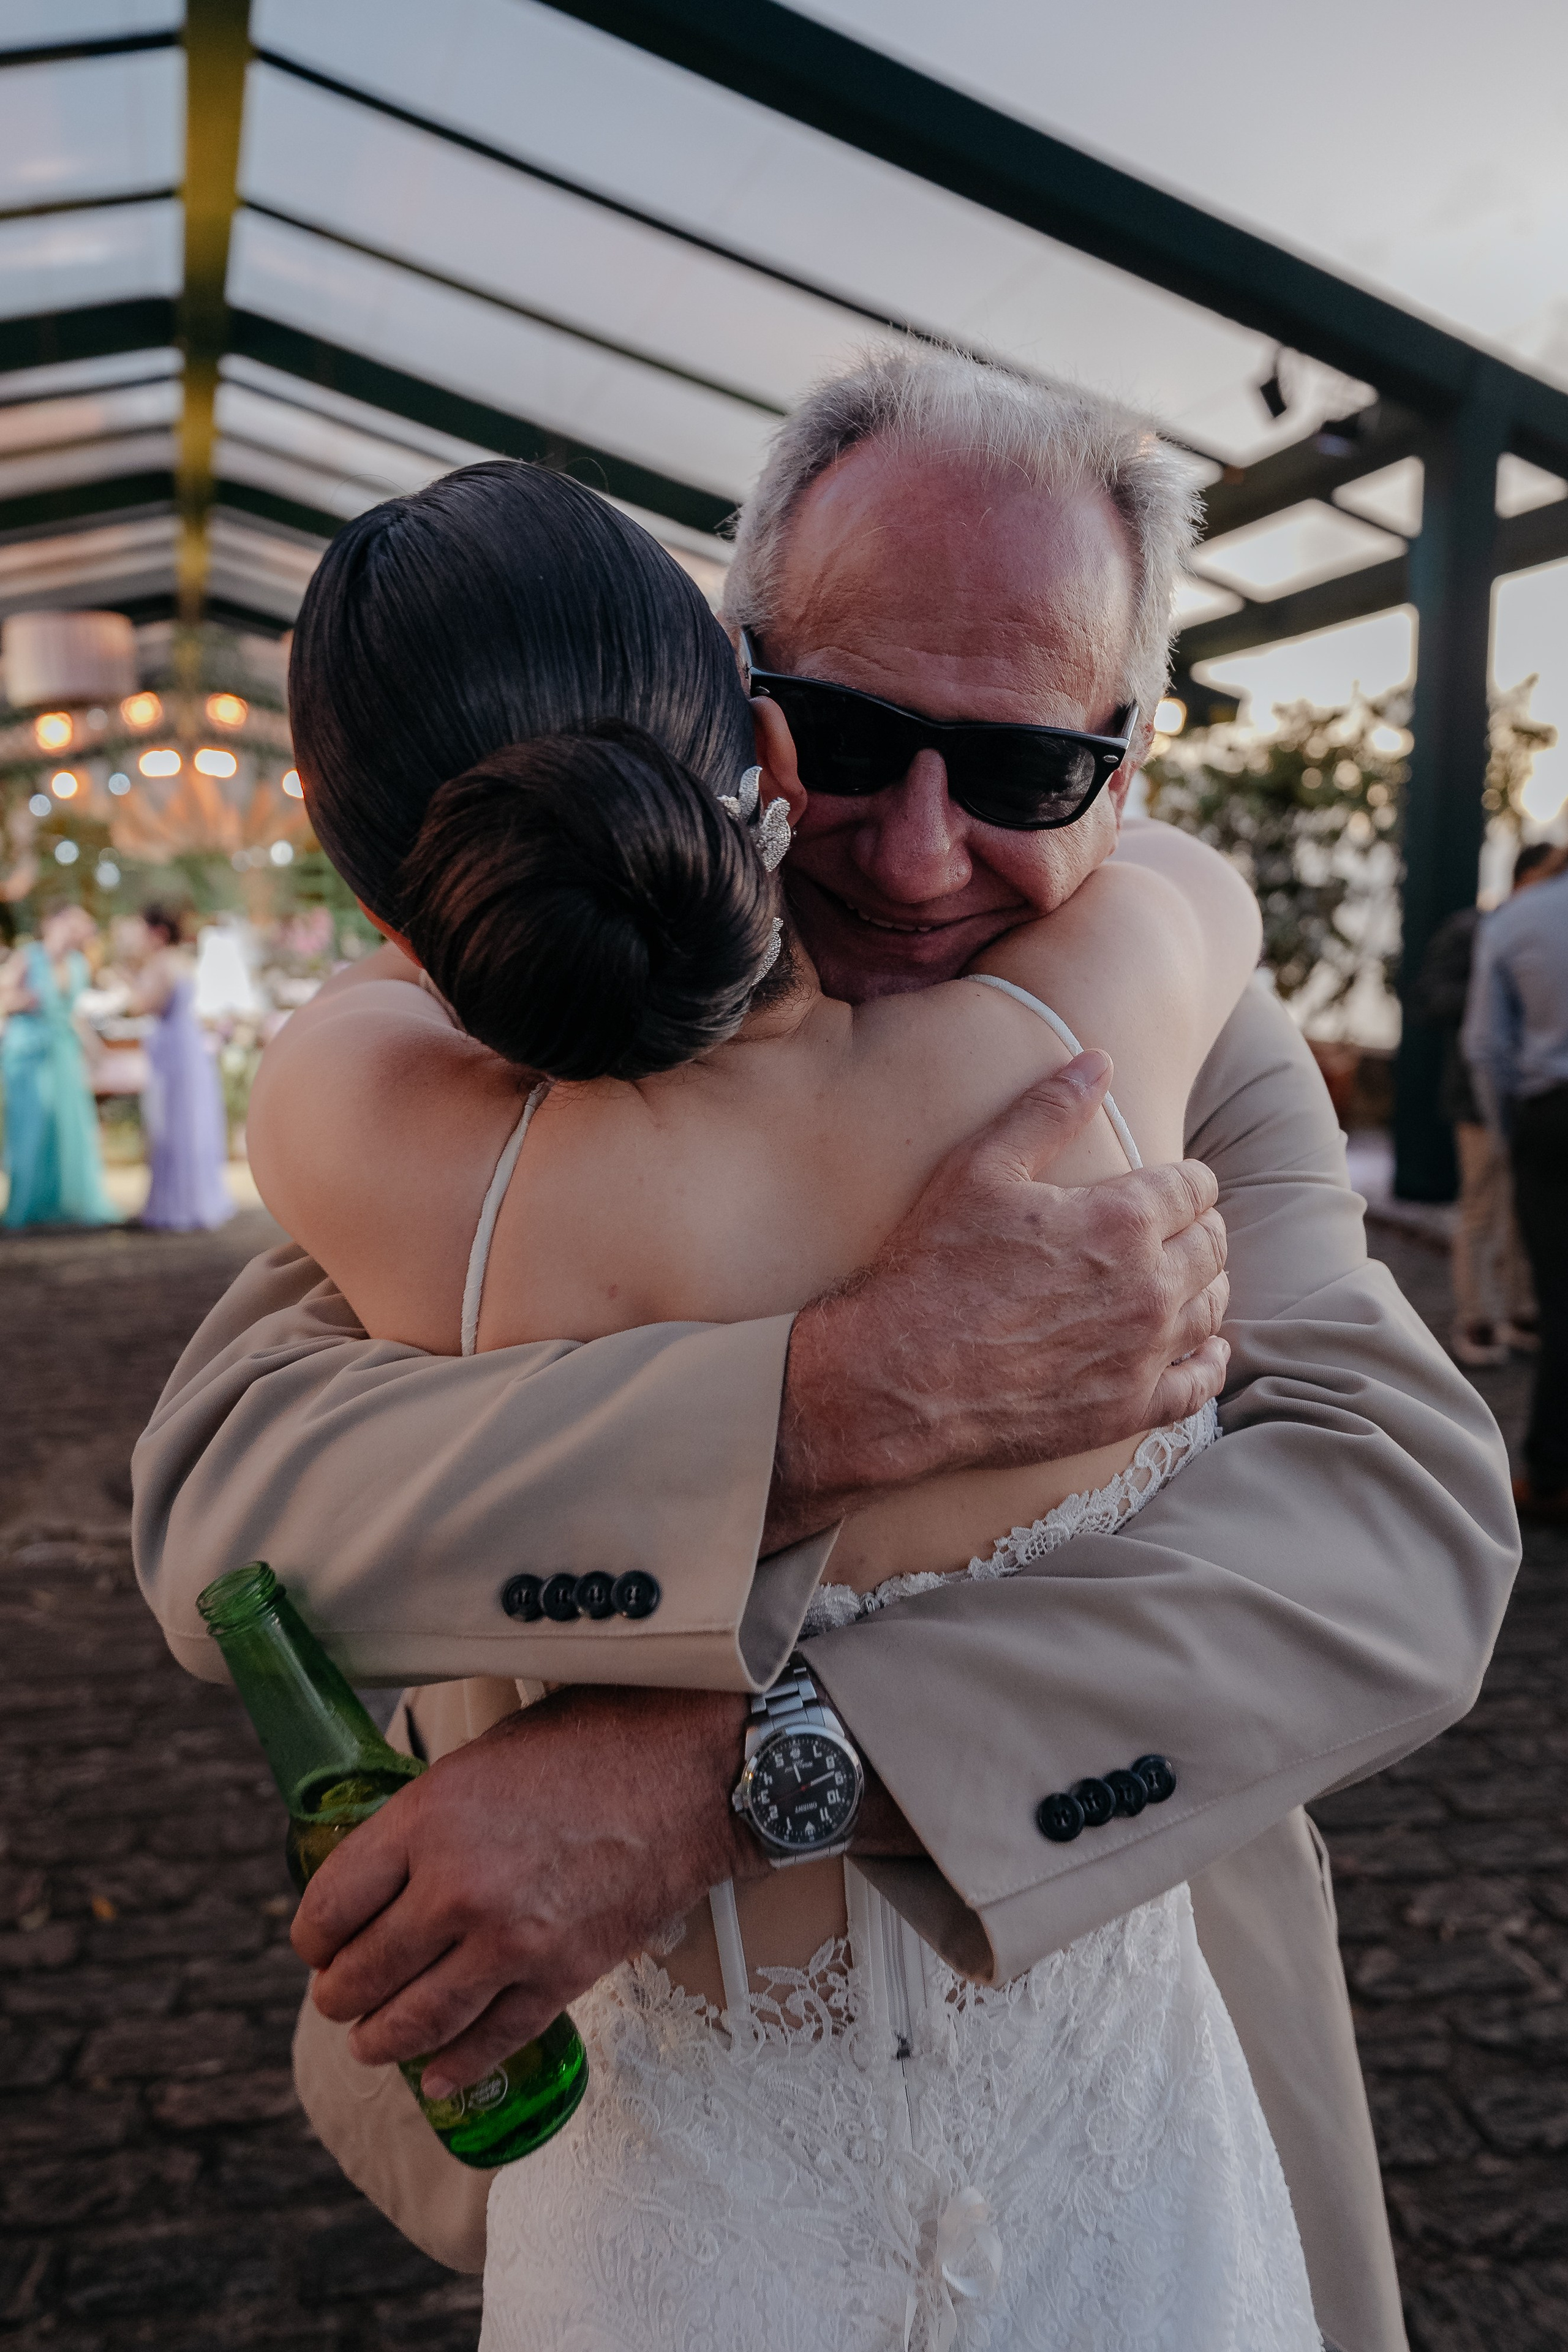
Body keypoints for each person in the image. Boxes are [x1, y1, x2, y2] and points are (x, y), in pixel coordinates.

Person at [134, 353, 1518, 2352]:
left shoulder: (1182, 1033)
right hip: (667, 2159)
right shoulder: (500, 1022)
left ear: (1126, 768)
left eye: (1031, 774)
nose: (925, 852)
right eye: (855, 739)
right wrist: (855, 1387)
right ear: (726, 697)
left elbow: (1395, 1527)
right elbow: (226, 1519)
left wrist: (746, 1774)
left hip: (1120, 2103)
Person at [1412, 844, 1556, 1365]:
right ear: (1524, 878)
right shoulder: (1473, 929)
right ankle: (1477, 1320)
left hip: (1536, 1098)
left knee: (1529, 1211)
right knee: (1483, 1207)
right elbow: (1429, 996)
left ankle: (1522, 1312)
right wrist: (1489, 991)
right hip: (1477, 1095)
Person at [1463, 842, 1568, 1521]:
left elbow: (1486, 1047)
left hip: (1551, 1121)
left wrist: (1513, 1131)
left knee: (1560, 1302)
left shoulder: (1520, 917)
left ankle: (1551, 1474)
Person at [0, 901, 119, 1229]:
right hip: (29, 1054)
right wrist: (26, 1000)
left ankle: (68, 1201)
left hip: (64, 1052)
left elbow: (75, 1016)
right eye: (74, 924)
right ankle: (29, 1205)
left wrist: (95, 1050)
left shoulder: (79, 965)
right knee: (33, 1127)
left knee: (70, 1126)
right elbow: (4, 998)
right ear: (54, 924)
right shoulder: (28, 957)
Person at [130, 904, 234, 1232]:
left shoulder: (161, 965)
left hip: (173, 1053)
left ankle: (174, 1204)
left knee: (170, 1123)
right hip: (187, 1048)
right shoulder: (184, 960)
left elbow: (147, 1006)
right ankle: (194, 1198)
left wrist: (127, 984)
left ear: (157, 933)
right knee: (189, 1123)